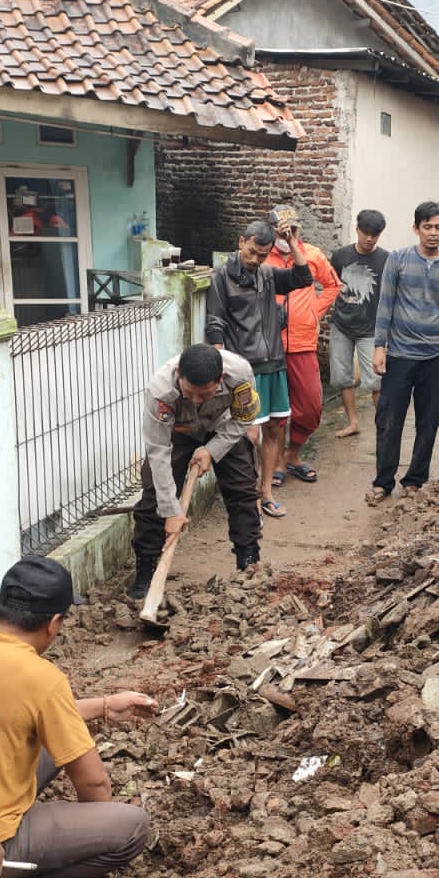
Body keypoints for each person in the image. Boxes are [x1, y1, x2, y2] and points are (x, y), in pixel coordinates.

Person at [0, 557, 156, 878]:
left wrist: (103, 706)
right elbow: (95, 786)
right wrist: (92, 830)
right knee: (132, 827)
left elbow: (20, 713)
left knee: (40, 744)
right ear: (53, 624)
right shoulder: (41, 678)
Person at [130, 342, 264, 590]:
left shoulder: (240, 374)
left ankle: (248, 564)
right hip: (178, 432)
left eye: (204, 395)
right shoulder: (160, 390)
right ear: (178, 374)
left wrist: (212, 450)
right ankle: (145, 573)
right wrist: (171, 511)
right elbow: (158, 451)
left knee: (242, 490)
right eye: (189, 393)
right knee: (153, 498)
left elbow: (243, 418)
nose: (195, 400)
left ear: (220, 379)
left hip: (223, 427)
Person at [206, 219, 311, 520]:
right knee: (248, 435)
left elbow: (303, 277)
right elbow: (215, 322)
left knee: (274, 429)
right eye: (252, 252)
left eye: (262, 255)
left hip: (274, 362)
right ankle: (248, 495)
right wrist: (221, 364)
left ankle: (266, 492)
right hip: (244, 369)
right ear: (241, 241)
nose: (255, 259)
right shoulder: (222, 276)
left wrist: (292, 242)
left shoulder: (267, 273)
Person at [367, 200, 439, 505]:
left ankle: (415, 479)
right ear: (416, 228)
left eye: (438, 227)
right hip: (399, 355)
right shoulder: (397, 261)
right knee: (389, 420)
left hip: (435, 357)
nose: (433, 233)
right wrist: (379, 347)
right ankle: (383, 481)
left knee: (429, 420)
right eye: (427, 227)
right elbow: (385, 305)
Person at [263, 205, 340, 483]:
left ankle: (292, 454)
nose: (286, 235)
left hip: (303, 341)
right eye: (281, 231)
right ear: (271, 231)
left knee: (310, 406)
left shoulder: (312, 254)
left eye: (292, 229)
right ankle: (277, 463)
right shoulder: (263, 257)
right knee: (277, 409)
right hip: (270, 343)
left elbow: (333, 285)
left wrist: (314, 312)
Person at [328, 209, 388, 438]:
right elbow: (332, 285)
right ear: (357, 229)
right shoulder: (340, 256)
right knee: (343, 377)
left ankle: (385, 427)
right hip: (341, 325)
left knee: (376, 381)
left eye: (375, 234)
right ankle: (353, 422)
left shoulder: (386, 260)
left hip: (371, 329)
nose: (369, 238)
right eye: (366, 233)